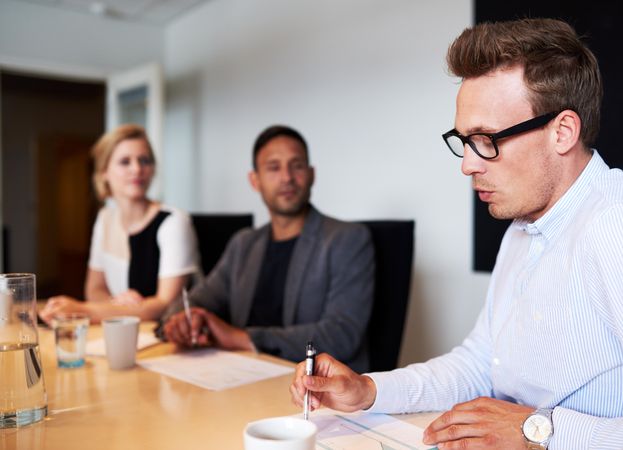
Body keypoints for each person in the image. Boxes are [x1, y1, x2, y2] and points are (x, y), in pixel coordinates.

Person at [290, 18, 623, 449]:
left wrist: (540, 432)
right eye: (464, 140)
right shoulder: (522, 228)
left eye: (486, 139)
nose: (468, 164)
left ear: (562, 132)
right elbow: (479, 364)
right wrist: (368, 390)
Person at [162, 125, 375, 372]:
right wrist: (183, 320)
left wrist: (244, 338)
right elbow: (199, 298)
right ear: (255, 180)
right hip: (241, 373)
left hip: (313, 388)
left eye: (296, 166)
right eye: (273, 167)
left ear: (312, 174)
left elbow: (342, 334)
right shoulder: (243, 244)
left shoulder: (347, 240)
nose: (286, 177)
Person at [39, 124, 200, 324]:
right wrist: (116, 304)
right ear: (104, 171)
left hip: (168, 337)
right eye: (125, 162)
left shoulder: (174, 223)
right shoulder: (105, 219)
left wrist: (83, 310)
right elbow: (94, 289)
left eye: (144, 160)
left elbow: (164, 305)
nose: (137, 169)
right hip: (124, 332)